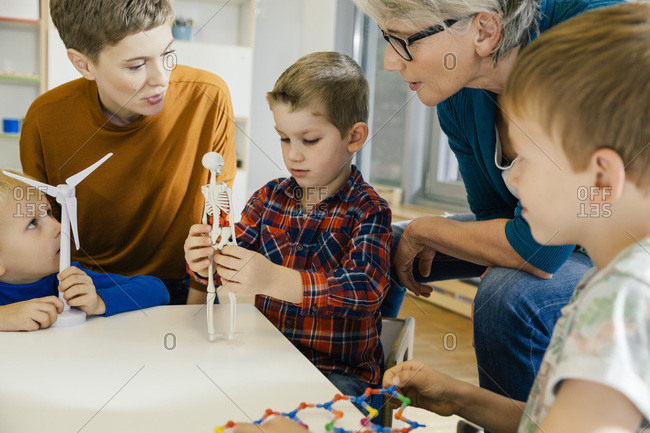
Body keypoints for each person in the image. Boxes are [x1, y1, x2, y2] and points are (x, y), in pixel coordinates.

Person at [232, 3, 650, 432]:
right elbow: (544, 424)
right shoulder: (615, 291)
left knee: (506, 292)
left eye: (528, 156)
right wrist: (459, 397)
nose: (513, 173)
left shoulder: (619, 303)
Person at [353, 0, 622, 401]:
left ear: (484, 31)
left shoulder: (581, 47)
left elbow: (540, 248)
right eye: (387, 39)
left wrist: (429, 229)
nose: (391, 62)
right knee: (378, 242)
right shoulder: (459, 90)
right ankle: (359, 396)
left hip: (621, 244)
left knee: (508, 294)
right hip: (549, 229)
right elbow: (495, 212)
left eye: (406, 41)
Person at [185, 52, 391, 395]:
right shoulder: (268, 199)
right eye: (284, 138)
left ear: (353, 138)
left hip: (338, 374)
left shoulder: (369, 211)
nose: (293, 154)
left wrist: (274, 279)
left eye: (309, 140)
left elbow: (364, 291)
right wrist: (204, 260)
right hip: (264, 357)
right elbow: (226, 263)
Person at [19, 0, 236, 305]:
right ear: (83, 64)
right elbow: (41, 232)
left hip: (185, 288)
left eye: (167, 55)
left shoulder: (208, 96)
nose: (161, 78)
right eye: (136, 65)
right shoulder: (45, 119)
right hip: (87, 289)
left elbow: (217, 221)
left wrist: (196, 306)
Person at [0, 171, 169, 331]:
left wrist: (99, 301)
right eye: (32, 223)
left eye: (49, 213)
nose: (59, 226)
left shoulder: (69, 280)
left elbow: (157, 290)